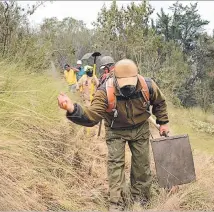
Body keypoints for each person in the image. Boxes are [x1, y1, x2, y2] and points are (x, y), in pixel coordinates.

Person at [58, 59, 169, 211]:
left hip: (140, 128)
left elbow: (160, 102)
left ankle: (141, 199)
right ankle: (117, 203)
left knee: (142, 165)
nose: (128, 88)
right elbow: (92, 116)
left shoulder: (147, 85)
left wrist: (163, 122)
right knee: (116, 165)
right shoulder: (104, 91)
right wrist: (72, 109)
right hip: (115, 129)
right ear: (115, 79)